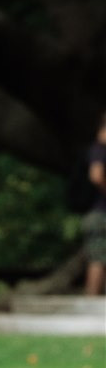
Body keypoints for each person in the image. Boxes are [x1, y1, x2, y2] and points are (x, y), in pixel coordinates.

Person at [83, 112, 106, 298]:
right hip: (100, 214)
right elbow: (96, 176)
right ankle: (91, 302)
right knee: (98, 259)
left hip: (98, 213)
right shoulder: (99, 149)